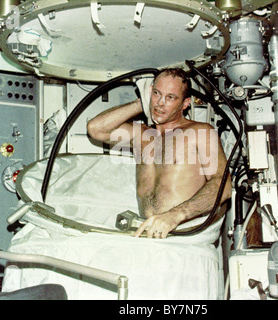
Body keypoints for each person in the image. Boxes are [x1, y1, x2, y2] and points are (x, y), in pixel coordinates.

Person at [87, 68, 231, 239]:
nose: (160, 103)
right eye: (157, 93)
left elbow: (224, 186)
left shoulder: (200, 132)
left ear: (185, 104)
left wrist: (176, 215)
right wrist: (142, 103)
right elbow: (96, 129)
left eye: (170, 97)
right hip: (146, 234)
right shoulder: (142, 135)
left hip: (183, 235)